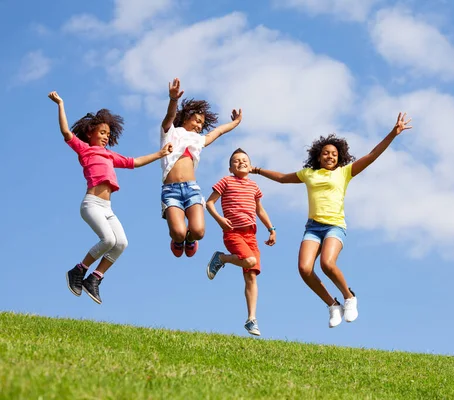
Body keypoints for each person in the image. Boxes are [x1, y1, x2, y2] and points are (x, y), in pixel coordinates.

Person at [251, 112, 412, 328]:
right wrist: (257, 170)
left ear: (339, 157)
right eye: (326, 153)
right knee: (304, 269)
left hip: (335, 225)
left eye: (334, 154)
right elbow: (282, 178)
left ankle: (349, 297)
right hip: (313, 227)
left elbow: (372, 155)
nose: (330, 157)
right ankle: (332, 304)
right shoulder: (309, 174)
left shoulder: (344, 173)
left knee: (327, 263)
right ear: (319, 156)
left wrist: (393, 133)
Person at [48, 91, 173, 304]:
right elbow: (66, 132)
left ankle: (94, 279)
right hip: (91, 204)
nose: (106, 136)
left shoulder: (110, 155)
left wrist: (159, 154)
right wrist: (60, 103)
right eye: (102, 132)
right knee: (108, 240)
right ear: (90, 133)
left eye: (108, 133)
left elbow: (135, 162)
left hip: (107, 207)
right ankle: (77, 271)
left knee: (121, 243)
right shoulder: (85, 150)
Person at [160, 78, 242, 258]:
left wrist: (234, 123)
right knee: (179, 232)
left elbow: (217, 132)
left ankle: (190, 240)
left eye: (201, 124)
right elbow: (169, 118)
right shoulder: (170, 133)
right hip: (171, 190)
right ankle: (179, 240)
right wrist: (173, 99)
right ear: (186, 117)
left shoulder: (198, 140)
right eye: (196, 121)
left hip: (192, 189)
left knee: (198, 232)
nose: (199, 126)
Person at [205, 148, 277, 336]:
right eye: (236, 161)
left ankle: (251, 319)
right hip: (233, 233)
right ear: (230, 168)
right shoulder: (226, 181)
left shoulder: (254, 187)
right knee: (250, 261)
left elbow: (260, 210)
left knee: (251, 275)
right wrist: (219, 219)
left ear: (250, 165)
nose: (241, 162)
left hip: (251, 235)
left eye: (244, 160)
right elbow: (209, 203)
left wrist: (271, 229)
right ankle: (222, 258)